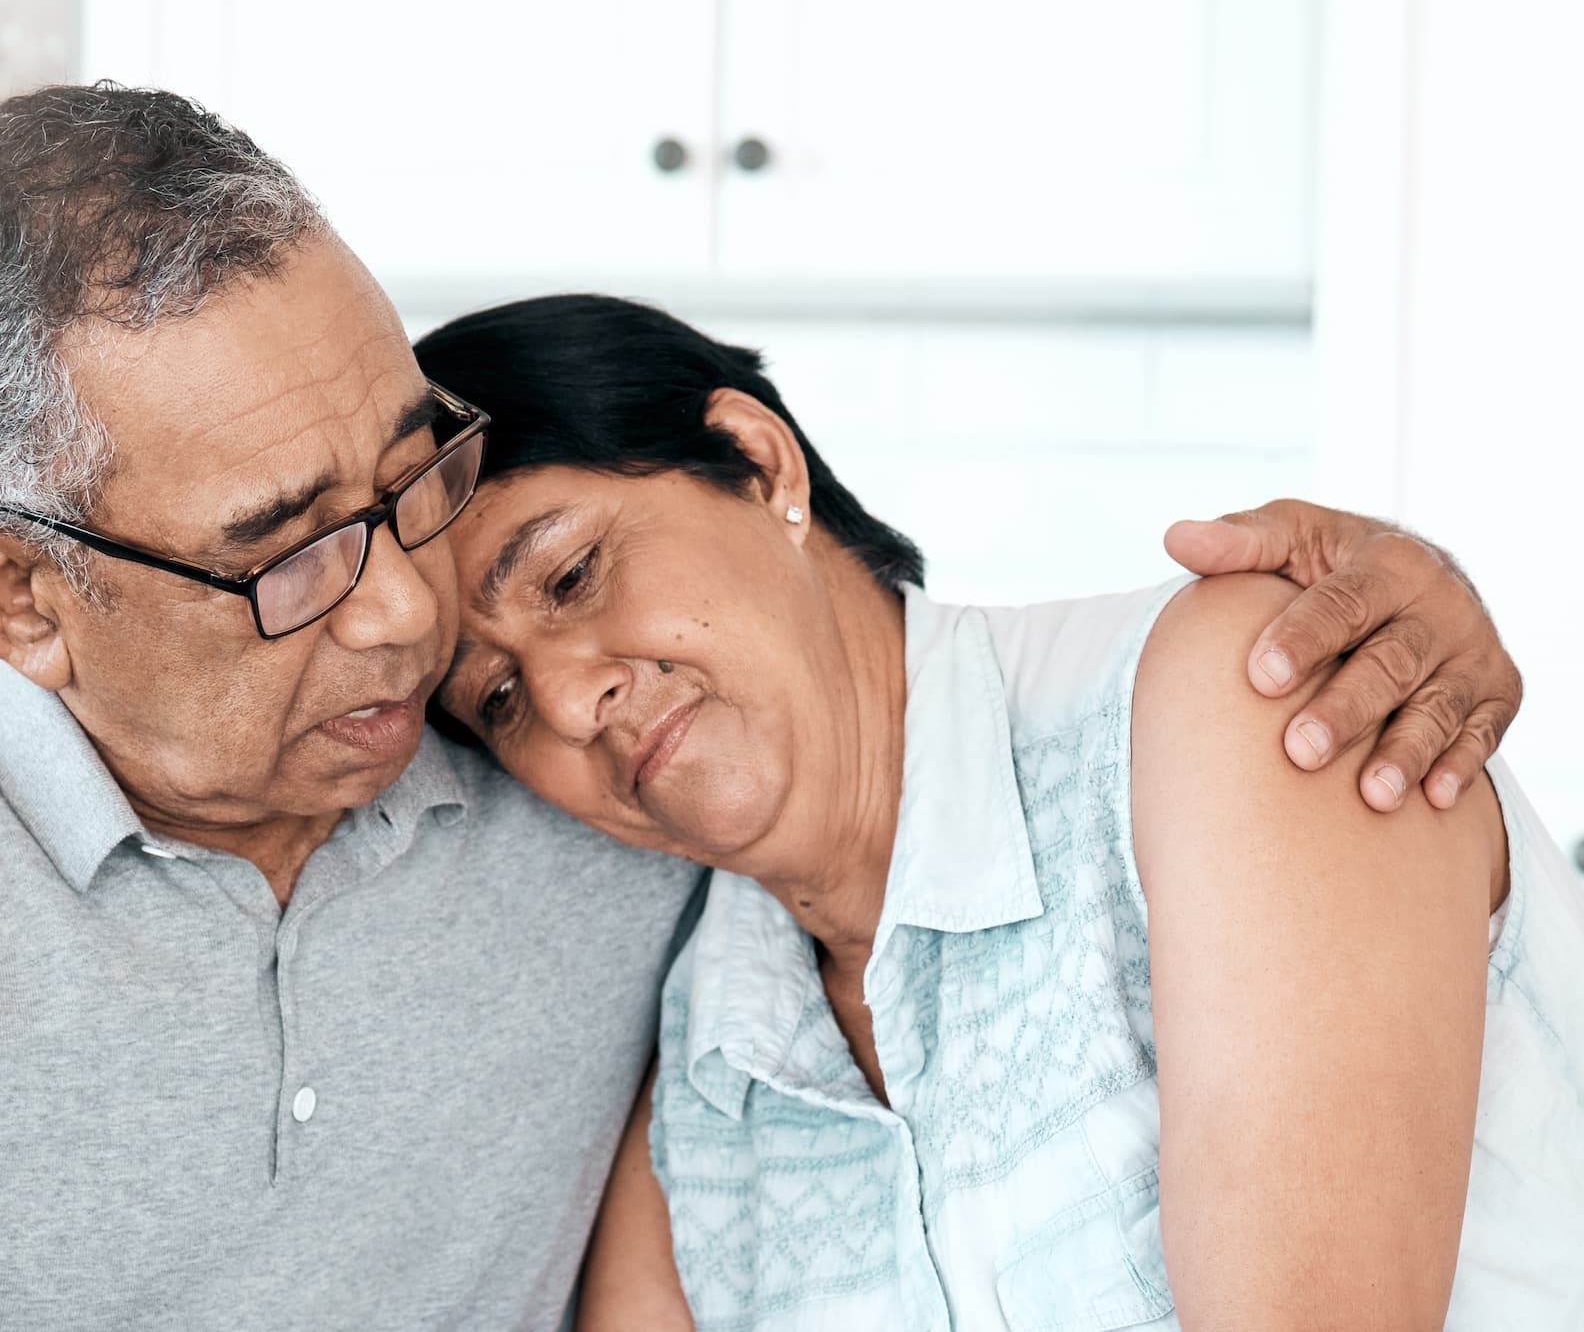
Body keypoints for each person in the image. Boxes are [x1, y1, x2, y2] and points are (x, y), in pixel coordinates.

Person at [0, 86, 1528, 1332]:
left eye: (416, 487)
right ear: (18, 600)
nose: (411, 620)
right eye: (290, 556)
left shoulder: (611, 828)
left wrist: (1403, 610)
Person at [412, 294, 1584, 1330]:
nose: (568, 702)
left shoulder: (1235, 697)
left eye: (570, 575)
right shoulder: (710, 1086)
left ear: (760, 462)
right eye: (500, 699)